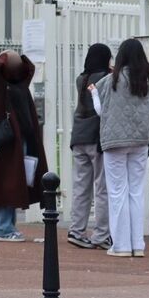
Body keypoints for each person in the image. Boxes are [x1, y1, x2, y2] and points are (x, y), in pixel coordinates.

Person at [90, 38, 149, 258]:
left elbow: (101, 111)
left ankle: (121, 245)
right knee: (136, 192)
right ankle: (138, 245)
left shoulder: (111, 80)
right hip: (140, 141)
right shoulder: (147, 80)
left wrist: (92, 93)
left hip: (115, 141)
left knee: (117, 192)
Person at [0, 50, 47, 242]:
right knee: (5, 182)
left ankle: (8, 226)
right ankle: (3, 228)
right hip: (6, 142)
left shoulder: (18, 84)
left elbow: (28, 69)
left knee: (15, 183)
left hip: (19, 141)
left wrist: (17, 58)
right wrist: (4, 58)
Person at [66, 44, 111, 249]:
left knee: (81, 187)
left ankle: (77, 230)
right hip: (96, 137)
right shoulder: (106, 79)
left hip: (78, 137)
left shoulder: (80, 79)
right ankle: (101, 234)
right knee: (102, 187)